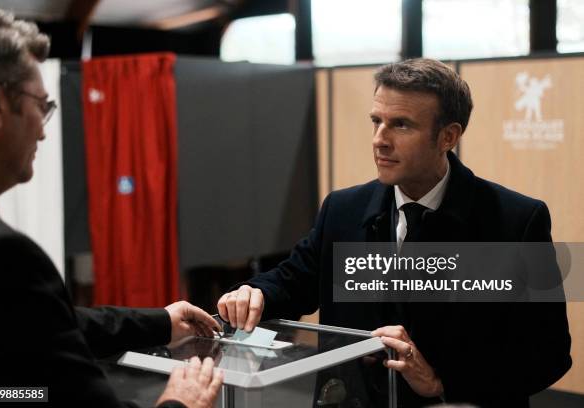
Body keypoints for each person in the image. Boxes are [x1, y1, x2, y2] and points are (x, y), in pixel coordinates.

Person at [218, 58, 572, 407]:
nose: (379, 139)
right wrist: (255, 293)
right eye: (376, 121)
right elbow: (294, 281)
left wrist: (440, 381)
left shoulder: (517, 221)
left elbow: (549, 354)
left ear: (448, 136)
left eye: (400, 125)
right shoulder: (342, 209)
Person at [0, 6, 222, 408]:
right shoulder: (1, 254)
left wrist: (158, 322)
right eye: (42, 105)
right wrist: (181, 402)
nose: (42, 128)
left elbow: (38, 328)